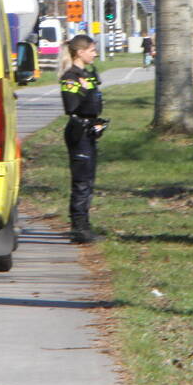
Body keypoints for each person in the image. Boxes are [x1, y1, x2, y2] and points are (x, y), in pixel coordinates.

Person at [60, 34, 105, 244]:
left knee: (88, 181)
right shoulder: (71, 77)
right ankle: (78, 228)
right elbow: (71, 106)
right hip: (78, 132)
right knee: (81, 182)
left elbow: (94, 105)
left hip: (89, 131)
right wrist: (85, 92)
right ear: (80, 52)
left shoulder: (87, 75)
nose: (95, 54)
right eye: (92, 50)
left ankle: (85, 224)